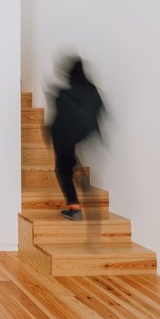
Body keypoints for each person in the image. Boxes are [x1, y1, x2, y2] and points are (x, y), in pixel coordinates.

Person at [49, 57, 104, 221]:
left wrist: (50, 134)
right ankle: (78, 172)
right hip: (83, 135)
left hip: (64, 137)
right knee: (69, 163)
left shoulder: (64, 94)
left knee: (63, 171)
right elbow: (100, 110)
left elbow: (60, 118)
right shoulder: (92, 90)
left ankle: (74, 208)